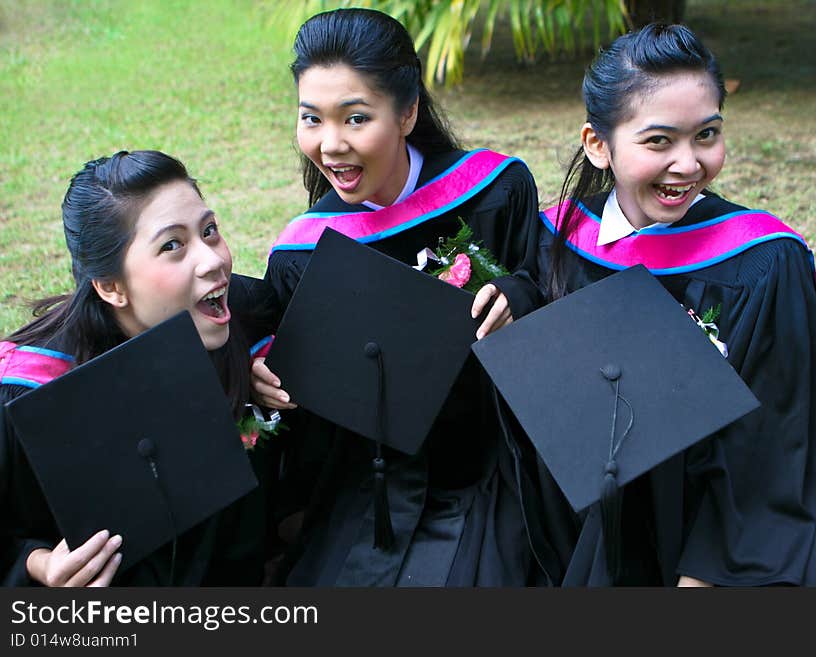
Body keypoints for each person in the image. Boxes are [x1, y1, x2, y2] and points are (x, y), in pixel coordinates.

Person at [538, 23, 816, 586]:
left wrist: (705, 574)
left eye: (706, 134)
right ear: (599, 144)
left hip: (714, 509)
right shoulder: (555, 235)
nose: (688, 163)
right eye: (658, 141)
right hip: (583, 511)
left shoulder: (764, 261)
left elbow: (776, 441)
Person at [253, 8, 547, 586]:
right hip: (371, 482)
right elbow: (301, 390)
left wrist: (519, 294)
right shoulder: (302, 252)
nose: (330, 144)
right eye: (311, 118)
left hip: (492, 465)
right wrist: (261, 370)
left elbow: (549, 280)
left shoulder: (494, 190)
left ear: (408, 112)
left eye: (355, 118)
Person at [1, 150, 276, 586]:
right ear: (111, 287)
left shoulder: (240, 313)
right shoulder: (31, 391)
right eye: (172, 245)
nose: (212, 261)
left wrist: (270, 363)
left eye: (209, 231)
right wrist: (42, 566)